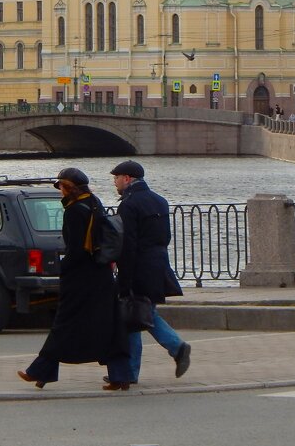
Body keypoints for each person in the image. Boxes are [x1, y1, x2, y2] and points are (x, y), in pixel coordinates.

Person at [18, 167, 127, 389]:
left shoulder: (75, 210)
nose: (59, 192)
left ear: (68, 188)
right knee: (108, 326)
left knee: (64, 324)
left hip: (81, 278)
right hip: (101, 274)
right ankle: (120, 376)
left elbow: (76, 250)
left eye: (60, 187)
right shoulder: (94, 202)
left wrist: (63, 268)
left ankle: (41, 371)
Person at [104, 159, 190, 390]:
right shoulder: (160, 201)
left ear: (128, 179)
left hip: (138, 266)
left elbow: (128, 243)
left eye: (116, 178)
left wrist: (124, 276)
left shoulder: (129, 205)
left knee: (134, 315)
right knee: (140, 313)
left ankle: (175, 347)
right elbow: (166, 237)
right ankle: (130, 370)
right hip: (159, 263)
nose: (114, 182)